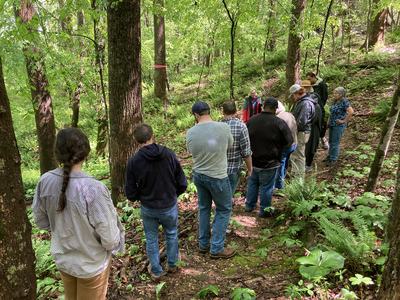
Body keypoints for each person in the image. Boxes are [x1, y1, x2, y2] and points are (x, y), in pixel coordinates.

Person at [33, 128, 124, 300]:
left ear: (57, 153)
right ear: (85, 152)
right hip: (91, 263)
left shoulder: (45, 181)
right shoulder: (93, 188)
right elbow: (110, 238)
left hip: (64, 259)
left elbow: (41, 221)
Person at [125, 124, 187, 279]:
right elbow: (182, 183)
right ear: (152, 135)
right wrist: (172, 195)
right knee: (171, 234)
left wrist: (142, 196)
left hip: (149, 207)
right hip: (168, 205)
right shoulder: (169, 154)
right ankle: (172, 265)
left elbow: (130, 193)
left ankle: (157, 271)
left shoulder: (134, 161)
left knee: (151, 238)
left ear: (136, 141)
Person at [186, 101, 235, 258]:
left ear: (196, 115)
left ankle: (203, 244)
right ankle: (217, 247)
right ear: (209, 111)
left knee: (204, 208)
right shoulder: (223, 127)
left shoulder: (191, 132)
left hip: (199, 175)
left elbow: (190, 151)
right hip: (218, 176)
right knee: (224, 209)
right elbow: (230, 146)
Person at [246, 97, 293, 217]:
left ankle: (249, 206)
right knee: (266, 187)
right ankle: (264, 211)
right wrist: (280, 153)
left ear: (263, 106)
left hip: (253, 160)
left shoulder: (252, 120)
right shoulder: (279, 123)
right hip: (270, 162)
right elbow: (289, 141)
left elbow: (245, 139)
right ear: (275, 109)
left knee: (252, 183)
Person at [221, 101, 253, 203]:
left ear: (223, 111)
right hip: (234, 168)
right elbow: (246, 151)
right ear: (235, 111)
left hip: (218, 168)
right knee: (228, 196)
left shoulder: (217, 126)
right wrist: (250, 169)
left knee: (222, 196)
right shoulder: (241, 126)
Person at [289, 84, 316, 178]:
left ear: (297, 93)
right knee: (295, 152)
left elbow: (302, 121)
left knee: (299, 154)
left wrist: (292, 128)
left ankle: (299, 177)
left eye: (293, 95)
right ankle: (294, 173)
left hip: (302, 132)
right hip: (299, 131)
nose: (293, 97)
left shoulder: (306, 103)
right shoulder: (301, 102)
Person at [326, 87, 354, 166]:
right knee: (331, 141)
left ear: (341, 94)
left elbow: (351, 112)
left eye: (336, 93)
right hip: (332, 124)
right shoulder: (335, 101)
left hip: (338, 125)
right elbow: (331, 113)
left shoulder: (344, 101)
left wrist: (343, 121)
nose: (334, 94)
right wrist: (328, 122)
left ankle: (333, 159)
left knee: (335, 142)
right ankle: (330, 156)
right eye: (334, 93)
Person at [301, 80, 323, 172]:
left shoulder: (314, 97)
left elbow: (316, 112)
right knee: (306, 145)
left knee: (311, 145)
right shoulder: (306, 97)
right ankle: (305, 163)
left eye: (305, 87)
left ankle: (308, 165)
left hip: (313, 125)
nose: (303, 89)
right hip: (309, 124)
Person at [275, 101, 297, 189]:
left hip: (285, 145)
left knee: (280, 164)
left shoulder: (278, 118)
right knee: (285, 162)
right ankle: (282, 179)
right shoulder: (289, 114)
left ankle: (280, 186)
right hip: (293, 143)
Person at [307, 71, 329, 149]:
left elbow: (325, 96)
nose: (309, 81)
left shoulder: (322, 84)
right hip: (313, 107)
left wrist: (320, 105)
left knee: (322, 123)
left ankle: (323, 139)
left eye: (310, 79)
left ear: (314, 77)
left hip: (320, 107)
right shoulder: (312, 85)